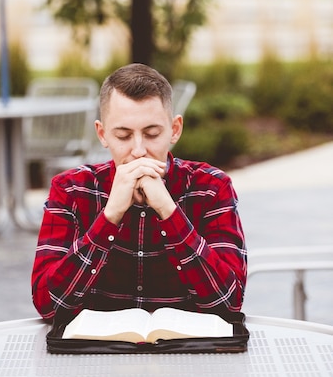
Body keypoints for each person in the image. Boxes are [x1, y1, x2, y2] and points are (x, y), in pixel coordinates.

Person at [32, 63, 247, 325]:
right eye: (123, 135)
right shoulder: (71, 189)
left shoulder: (211, 187)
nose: (138, 151)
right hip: (95, 357)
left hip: (188, 355)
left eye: (152, 134)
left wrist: (169, 212)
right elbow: (47, 305)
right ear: (102, 134)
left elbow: (229, 303)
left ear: (174, 129)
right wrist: (109, 216)